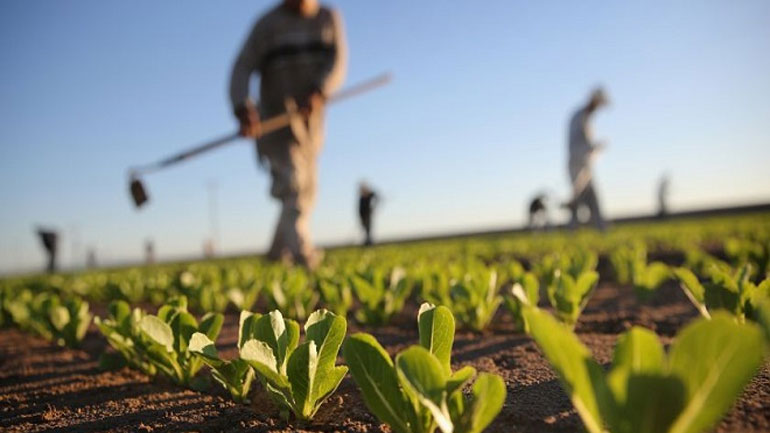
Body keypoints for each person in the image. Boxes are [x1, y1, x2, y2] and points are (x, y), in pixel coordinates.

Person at [229, 0, 347, 268]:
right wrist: (242, 106)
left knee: (306, 189)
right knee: (292, 184)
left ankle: (275, 254)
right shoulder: (267, 24)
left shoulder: (328, 19)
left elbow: (337, 61)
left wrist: (320, 89)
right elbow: (242, 67)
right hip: (275, 121)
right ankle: (302, 254)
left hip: (311, 125)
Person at [566, 87, 609, 231]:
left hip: (584, 164)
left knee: (589, 199)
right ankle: (576, 230)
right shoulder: (580, 117)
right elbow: (581, 143)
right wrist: (596, 146)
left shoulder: (585, 117)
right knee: (580, 199)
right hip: (578, 164)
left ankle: (600, 228)